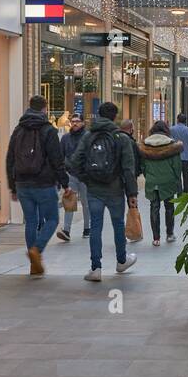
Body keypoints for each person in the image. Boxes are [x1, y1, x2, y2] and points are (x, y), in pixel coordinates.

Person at [68, 100, 138, 281]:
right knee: (118, 224)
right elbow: (129, 169)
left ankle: (96, 268)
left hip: (94, 190)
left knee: (96, 227)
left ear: (99, 114)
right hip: (115, 189)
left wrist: (86, 178)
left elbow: (75, 162)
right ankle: (121, 261)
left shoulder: (88, 136)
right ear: (115, 117)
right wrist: (132, 194)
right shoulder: (121, 138)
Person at [5, 95, 69, 276]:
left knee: (31, 221)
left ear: (29, 107)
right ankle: (37, 250)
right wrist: (65, 183)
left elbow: (10, 158)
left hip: (23, 183)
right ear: (44, 109)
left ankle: (34, 265)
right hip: (44, 183)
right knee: (52, 220)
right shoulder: (48, 130)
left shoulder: (18, 130)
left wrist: (13, 186)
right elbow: (57, 160)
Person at [138, 120, 184, 246]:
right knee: (169, 207)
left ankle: (156, 238)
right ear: (166, 130)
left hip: (152, 181)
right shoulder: (172, 145)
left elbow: (143, 166)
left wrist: (149, 176)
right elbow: (177, 166)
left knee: (154, 208)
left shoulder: (145, 145)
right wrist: (176, 179)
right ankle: (169, 234)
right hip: (168, 181)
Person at [57, 114, 91, 242]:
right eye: (73, 121)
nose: (75, 123)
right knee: (69, 202)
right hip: (70, 175)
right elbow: (60, 156)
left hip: (85, 175)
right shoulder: (65, 138)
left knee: (86, 203)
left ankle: (87, 227)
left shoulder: (88, 137)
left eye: (78, 121)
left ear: (83, 123)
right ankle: (66, 230)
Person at [171, 112, 188, 193]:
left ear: (177, 120)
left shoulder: (172, 129)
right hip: (187, 157)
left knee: (177, 175)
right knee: (186, 174)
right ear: (185, 121)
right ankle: (186, 190)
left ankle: (178, 191)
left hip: (176, 156)